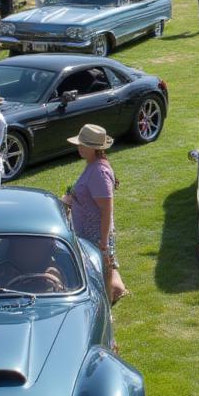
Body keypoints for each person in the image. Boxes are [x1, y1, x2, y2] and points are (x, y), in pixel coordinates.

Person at [61, 123, 128, 303]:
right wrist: (70, 197)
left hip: (96, 237)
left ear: (94, 148)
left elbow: (107, 210)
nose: (79, 147)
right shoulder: (92, 165)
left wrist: (104, 244)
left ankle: (106, 304)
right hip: (89, 234)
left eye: (83, 144)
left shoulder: (99, 172)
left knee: (101, 274)